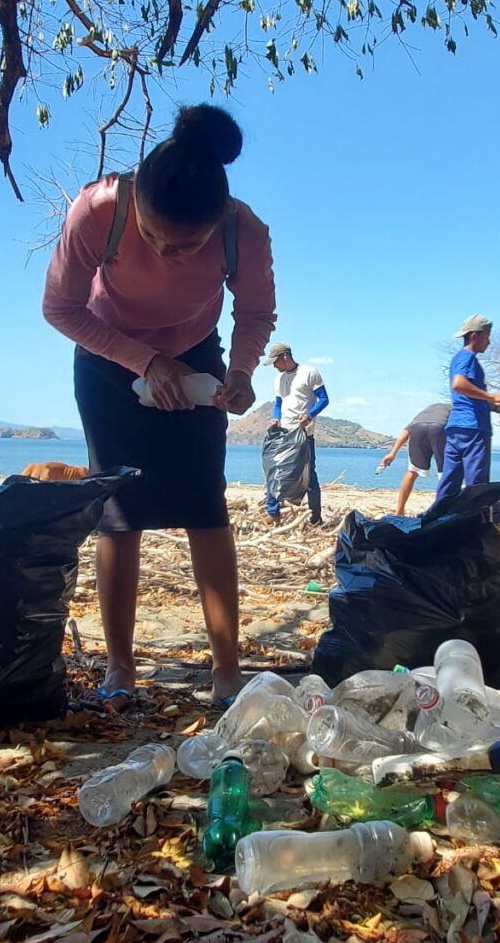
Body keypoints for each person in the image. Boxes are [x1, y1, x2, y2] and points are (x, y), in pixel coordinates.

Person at [42, 104, 277, 711]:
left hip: (195, 353)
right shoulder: (100, 209)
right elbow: (61, 308)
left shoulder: (242, 230)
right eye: (153, 238)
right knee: (118, 512)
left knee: (205, 505)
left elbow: (254, 314)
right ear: (135, 205)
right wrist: (144, 362)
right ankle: (120, 667)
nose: (169, 254)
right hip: (108, 355)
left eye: (187, 246)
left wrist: (242, 373)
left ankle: (226, 669)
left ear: (217, 222)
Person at [434, 315, 500, 504]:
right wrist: (492, 396)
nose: (489, 342)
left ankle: (438, 518)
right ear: (475, 336)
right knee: (476, 483)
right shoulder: (467, 357)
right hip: (474, 427)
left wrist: (497, 408)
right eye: (487, 336)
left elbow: (467, 394)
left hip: (457, 426)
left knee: (450, 480)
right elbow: (459, 384)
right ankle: (474, 522)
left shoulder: (460, 358)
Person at [262, 343, 327, 525]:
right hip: (284, 432)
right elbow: (278, 404)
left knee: (308, 475)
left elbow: (324, 399)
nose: (274, 366)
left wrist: (309, 415)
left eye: (275, 362)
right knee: (274, 469)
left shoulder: (309, 373)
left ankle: (315, 517)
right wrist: (276, 418)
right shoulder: (279, 379)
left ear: (285, 357)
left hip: (304, 433)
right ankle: (273, 512)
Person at [378, 402, 450, 515]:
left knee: (412, 471)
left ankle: (399, 510)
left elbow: (407, 430)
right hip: (440, 427)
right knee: (446, 474)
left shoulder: (426, 411)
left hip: (417, 428)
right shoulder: (456, 407)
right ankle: (443, 509)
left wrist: (393, 453)